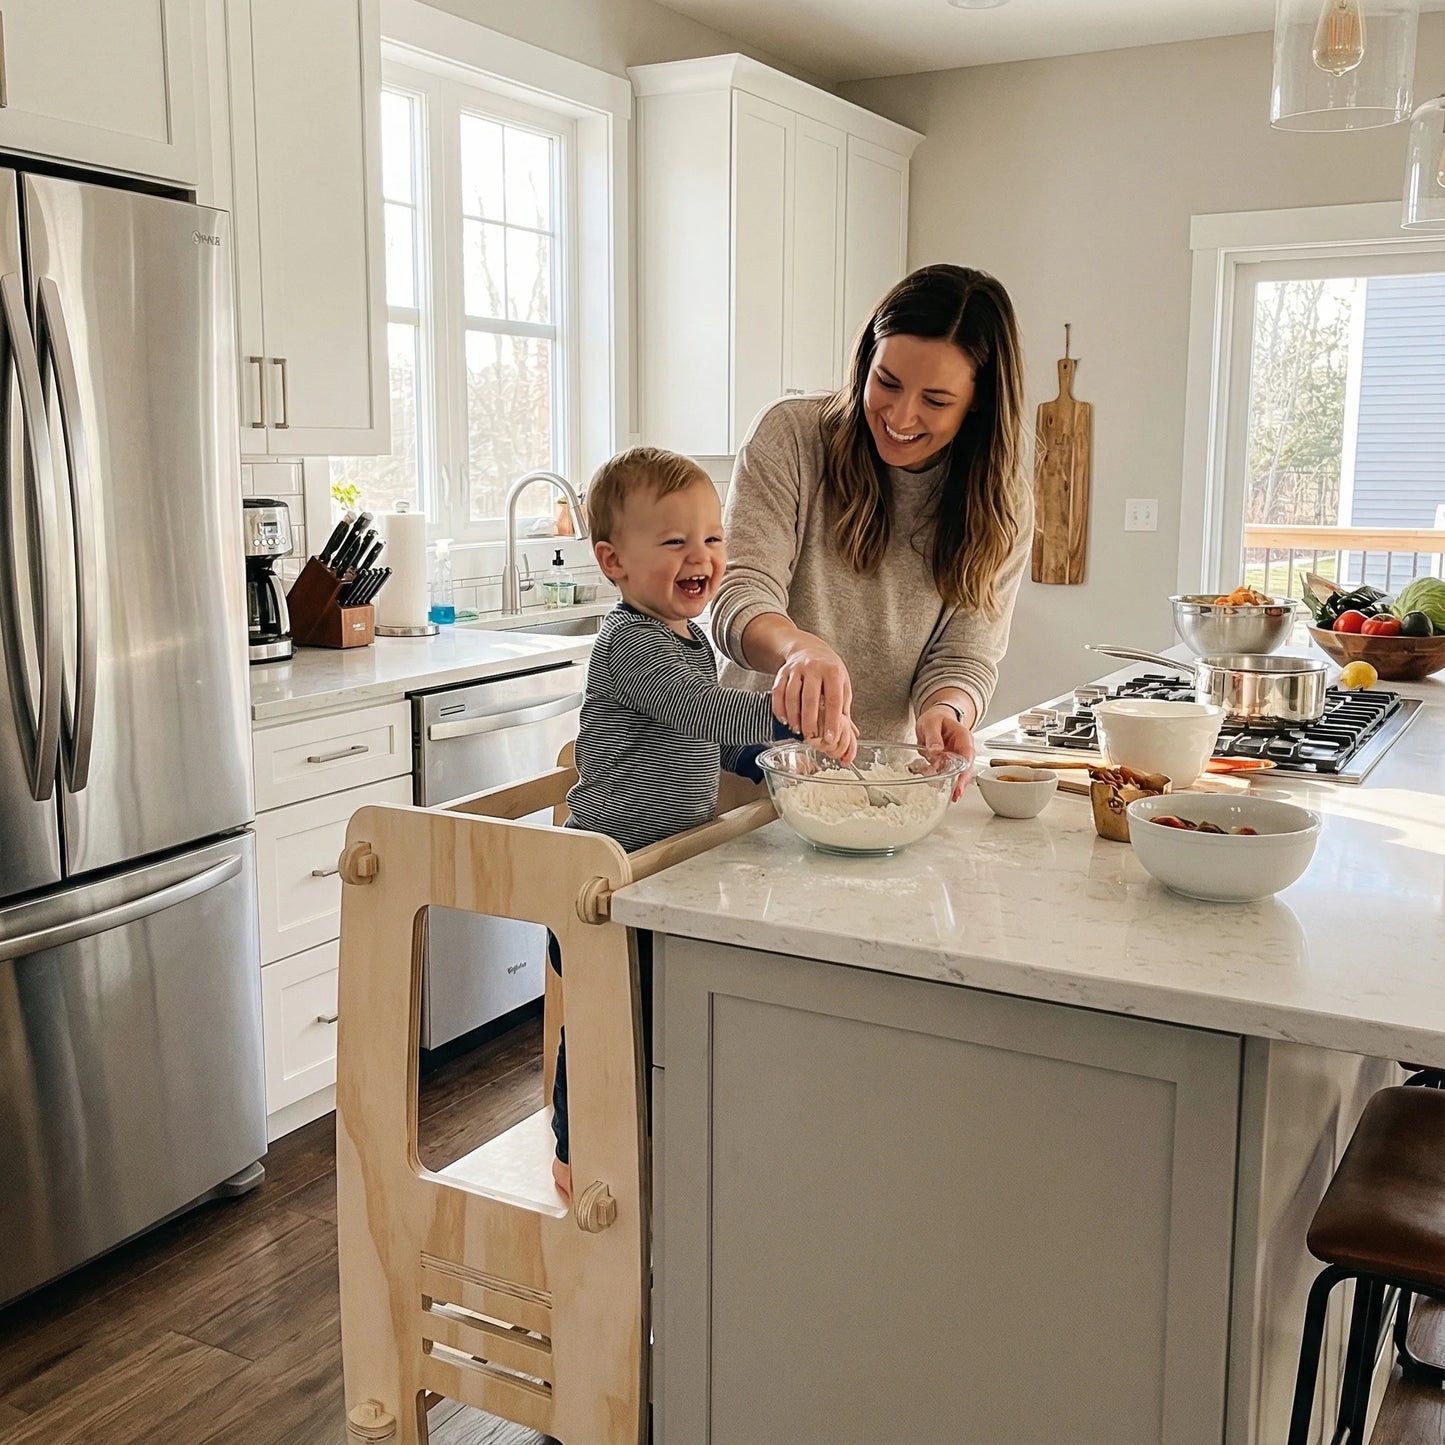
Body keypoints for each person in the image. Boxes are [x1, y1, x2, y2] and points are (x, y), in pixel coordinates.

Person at [550, 445, 855, 1197]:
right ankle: (572, 1152)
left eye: (713, 538)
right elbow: (701, 710)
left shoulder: (688, 640)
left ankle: (648, 1133)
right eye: (674, 540)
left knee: (652, 1015)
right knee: (598, 1028)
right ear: (612, 560)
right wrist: (796, 716)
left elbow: (715, 737)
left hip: (657, 873)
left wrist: (783, 765)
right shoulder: (628, 644)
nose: (701, 555)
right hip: (600, 874)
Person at [710, 263, 1032, 765]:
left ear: (977, 404)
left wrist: (947, 710)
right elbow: (739, 592)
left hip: (884, 781)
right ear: (866, 362)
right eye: (887, 382)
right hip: (747, 767)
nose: (901, 417)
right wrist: (797, 648)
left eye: (936, 400)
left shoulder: (1001, 502)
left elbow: (966, 654)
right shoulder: (791, 437)